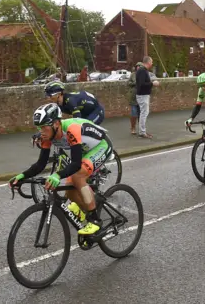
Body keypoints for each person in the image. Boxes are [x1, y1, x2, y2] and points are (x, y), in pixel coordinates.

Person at [10, 103, 113, 235]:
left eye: (44, 127)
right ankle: (86, 208)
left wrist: (57, 175)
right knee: (70, 190)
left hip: (101, 147)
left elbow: (75, 164)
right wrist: (22, 176)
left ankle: (95, 220)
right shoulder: (48, 135)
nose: (41, 131)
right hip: (84, 151)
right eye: (39, 127)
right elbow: (41, 164)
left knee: (78, 176)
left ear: (56, 124)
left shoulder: (72, 129)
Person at [136, 56, 160, 138]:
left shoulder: (142, 70)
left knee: (144, 112)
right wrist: (153, 83)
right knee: (144, 113)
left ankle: (142, 131)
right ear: (148, 62)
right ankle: (142, 132)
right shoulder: (142, 71)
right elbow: (142, 84)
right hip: (142, 95)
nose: (152, 63)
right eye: (151, 62)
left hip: (143, 95)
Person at [128, 62, 143, 134]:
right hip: (134, 97)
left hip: (141, 97)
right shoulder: (133, 74)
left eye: (140, 66)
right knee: (134, 113)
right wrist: (134, 83)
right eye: (137, 66)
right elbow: (128, 83)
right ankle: (133, 128)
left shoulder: (144, 74)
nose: (138, 67)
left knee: (141, 114)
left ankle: (141, 129)